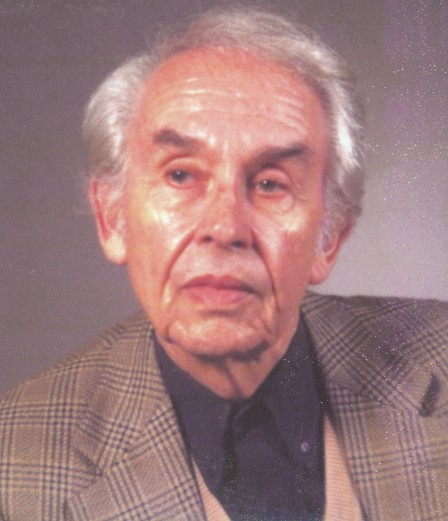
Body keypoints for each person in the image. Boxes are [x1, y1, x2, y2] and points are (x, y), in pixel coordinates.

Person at [0, 6, 447, 521]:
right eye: (181, 176)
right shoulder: (16, 462)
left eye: (270, 184)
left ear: (331, 236)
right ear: (112, 218)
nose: (225, 226)